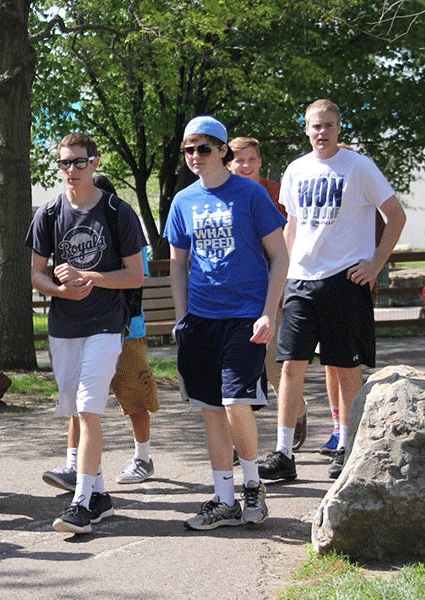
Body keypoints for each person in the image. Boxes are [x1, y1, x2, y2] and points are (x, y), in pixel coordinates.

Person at [259, 99, 406, 481]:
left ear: (339, 128)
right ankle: (283, 451)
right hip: (301, 281)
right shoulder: (296, 170)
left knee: (343, 366)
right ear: (306, 129)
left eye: (328, 125)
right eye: (314, 126)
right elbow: (292, 224)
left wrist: (374, 263)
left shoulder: (358, 167)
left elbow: (396, 215)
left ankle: (347, 447)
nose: (321, 132)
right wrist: (283, 274)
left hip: (344, 279)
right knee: (290, 364)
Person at [165, 116, 288, 530]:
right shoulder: (183, 201)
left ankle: (252, 485)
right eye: (188, 149)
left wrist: (269, 311)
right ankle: (223, 500)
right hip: (201, 319)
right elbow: (178, 265)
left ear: (222, 151)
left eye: (203, 148)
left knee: (236, 402)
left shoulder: (250, 194)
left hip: (245, 316)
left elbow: (281, 256)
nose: (195, 156)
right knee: (211, 410)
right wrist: (181, 318)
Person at [27, 134, 146, 535]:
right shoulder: (48, 214)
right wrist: (60, 290)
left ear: (94, 163)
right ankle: (99, 495)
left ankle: (81, 503)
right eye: (65, 164)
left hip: (106, 324)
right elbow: (34, 273)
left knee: (89, 409)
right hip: (64, 328)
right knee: (76, 410)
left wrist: (88, 278)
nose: (72, 171)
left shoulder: (117, 212)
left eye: (79, 163)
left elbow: (135, 275)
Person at [41, 174, 159, 494]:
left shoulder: (123, 226)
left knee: (133, 392)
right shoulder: (75, 234)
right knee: (82, 402)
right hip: (85, 328)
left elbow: (134, 279)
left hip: (127, 328)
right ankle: (73, 463)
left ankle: (142, 457)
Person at [228, 137, 317, 452]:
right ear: (228, 163)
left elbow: (292, 242)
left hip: (273, 294)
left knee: (271, 365)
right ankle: (240, 444)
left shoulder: (277, 194)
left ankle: (298, 410)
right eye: (240, 160)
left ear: (260, 161)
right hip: (232, 297)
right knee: (234, 371)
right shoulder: (220, 196)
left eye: (252, 159)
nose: (246, 166)